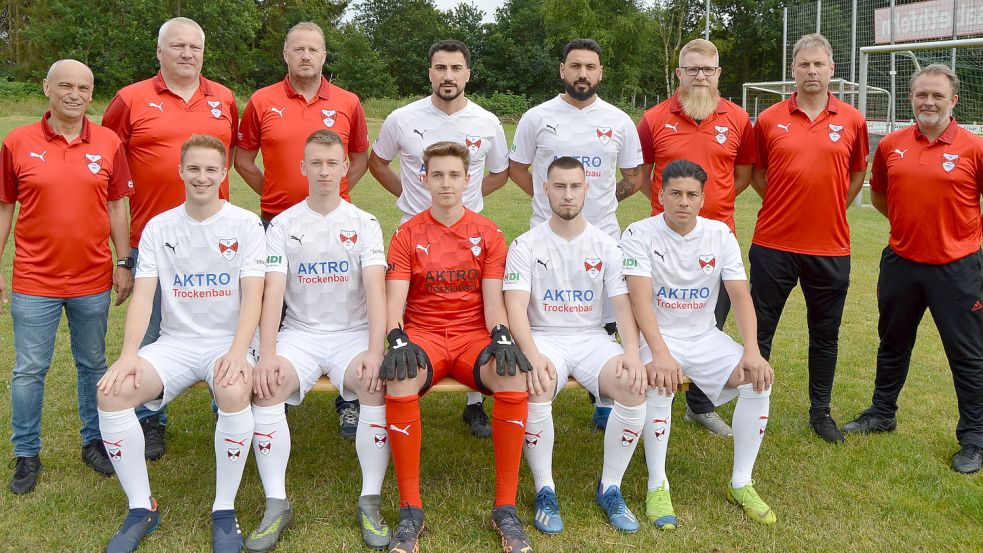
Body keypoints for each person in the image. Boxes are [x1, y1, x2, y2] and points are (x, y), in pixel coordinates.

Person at [96, 135, 265, 553]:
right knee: (112, 393)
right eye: (194, 168)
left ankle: (224, 509)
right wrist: (128, 354)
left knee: (231, 389)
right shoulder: (159, 226)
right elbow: (144, 296)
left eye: (211, 169)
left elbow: (255, 297)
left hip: (229, 341)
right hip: (175, 343)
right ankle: (141, 507)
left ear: (224, 173)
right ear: (181, 172)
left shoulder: (245, 224)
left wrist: (238, 352)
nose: (202, 177)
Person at [382, 141, 534, 553]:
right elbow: (393, 306)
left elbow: (492, 303)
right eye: (438, 175)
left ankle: (505, 507)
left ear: (468, 180)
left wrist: (502, 334)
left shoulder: (488, 234)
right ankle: (410, 509)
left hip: (471, 337)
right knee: (398, 378)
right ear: (423, 179)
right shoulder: (406, 233)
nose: (446, 183)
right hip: (425, 337)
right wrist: (396, 338)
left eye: (454, 175)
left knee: (513, 374)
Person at [244, 130, 391, 552]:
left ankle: (370, 499)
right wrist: (268, 353)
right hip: (300, 337)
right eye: (316, 163)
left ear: (346, 168)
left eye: (332, 163)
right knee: (268, 385)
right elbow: (273, 294)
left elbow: (376, 291)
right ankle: (276, 502)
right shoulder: (283, 225)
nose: (324, 171)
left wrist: (374, 350)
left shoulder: (365, 223)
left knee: (373, 384)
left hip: (352, 336)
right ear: (302, 168)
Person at [102, 16, 240, 459]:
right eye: (177, 46)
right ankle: (148, 420)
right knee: (152, 331)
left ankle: (229, 406)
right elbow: (109, 164)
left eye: (194, 47)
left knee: (224, 325)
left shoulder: (224, 98)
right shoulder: (130, 99)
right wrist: (124, 256)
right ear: (159, 51)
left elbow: (228, 156)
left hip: (216, 240)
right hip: (153, 237)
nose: (186, 54)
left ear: (203, 52)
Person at [843, 64, 983, 474]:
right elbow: (885, 198)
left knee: (968, 355)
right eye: (922, 94)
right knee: (892, 343)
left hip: (957, 269)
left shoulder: (974, 148)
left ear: (953, 101)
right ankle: (883, 412)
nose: (929, 102)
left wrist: (960, 238)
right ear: (910, 99)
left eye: (938, 95)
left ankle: (974, 437)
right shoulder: (892, 145)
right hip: (902, 262)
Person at [1, 59, 133, 493]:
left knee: (92, 364)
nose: (74, 94)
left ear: (91, 92)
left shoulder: (109, 142)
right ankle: (26, 453)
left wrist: (123, 260)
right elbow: (5, 207)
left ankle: (94, 442)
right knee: (29, 370)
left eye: (83, 87)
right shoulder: (17, 143)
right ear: (47, 88)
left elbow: (117, 206)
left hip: (92, 278)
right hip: (34, 281)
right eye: (65, 86)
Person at [621, 160, 775, 528]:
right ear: (661, 195)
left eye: (692, 195)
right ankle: (657, 485)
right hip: (655, 336)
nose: (683, 202)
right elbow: (639, 299)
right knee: (660, 382)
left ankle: (741, 483)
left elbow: (739, 295)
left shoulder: (719, 234)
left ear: (703, 198)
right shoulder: (639, 233)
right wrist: (660, 353)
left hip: (704, 337)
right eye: (675, 194)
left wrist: (752, 351)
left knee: (758, 380)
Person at [236, 21, 370, 440]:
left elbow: (361, 158)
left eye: (314, 49)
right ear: (286, 54)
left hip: (337, 221)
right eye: (298, 49)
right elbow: (243, 159)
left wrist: (332, 195)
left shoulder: (348, 101)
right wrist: (285, 198)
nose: (306, 56)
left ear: (325, 55)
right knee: (277, 305)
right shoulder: (261, 100)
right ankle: (277, 378)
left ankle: (349, 401)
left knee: (343, 301)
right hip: (276, 221)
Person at [368, 38, 508, 438]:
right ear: (430, 72)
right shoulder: (401, 117)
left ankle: (475, 402)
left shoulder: (487, 121)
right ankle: (410, 373)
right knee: (417, 310)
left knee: (472, 310)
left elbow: (499, 171)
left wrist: (470, 200)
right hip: (415, 233)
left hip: (469, 232)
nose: (448, 76)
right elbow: (378, 162)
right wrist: (410, 197)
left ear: (468, 73)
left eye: (456, 68)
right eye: (440, 68)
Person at [504, 156, 646, 534]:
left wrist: (631, 351)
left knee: (634, 385)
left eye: (575, 186)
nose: (568, 195)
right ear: (545, 189)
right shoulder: (525, 244)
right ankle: (545, 488)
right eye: (560, 186)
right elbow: (515, 308)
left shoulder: (606, 246)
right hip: (543, 338)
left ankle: (610, 486)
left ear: (588, 189)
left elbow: (622, 306)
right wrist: (531, 355)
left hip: (592, 339)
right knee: (535, 384)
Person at [508, 37, 643, 430]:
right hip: (547, 235)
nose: (582, 73)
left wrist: (601, 198)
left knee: (602, 317)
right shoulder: (537, 117)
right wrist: (549, 198)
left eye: (590, 67)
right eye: (575, 66)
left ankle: (602, 394)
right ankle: (549, 368)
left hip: (602, 234)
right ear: (562, 70)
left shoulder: (619, 120)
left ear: (600, 73)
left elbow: (633, 177)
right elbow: (519, 167)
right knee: (550, 311)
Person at [635, 37, 758, 438]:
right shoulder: (654, 118)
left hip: (717, 240)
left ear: (719, 73)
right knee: (662, 319)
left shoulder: (738, 119)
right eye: (692, 69)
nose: (700, 76)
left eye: (708, 69)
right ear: (679, 73)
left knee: (709, 325)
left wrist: (711, 211)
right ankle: (659, 395)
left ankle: (700, 406)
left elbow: (741, 175)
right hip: (663, 243)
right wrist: (669, 209)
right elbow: (645, 174)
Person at [750, 33, 869, 443]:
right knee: (760, 331)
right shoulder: (768, 119)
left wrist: (832, 204)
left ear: (832, 69)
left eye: (819, 64)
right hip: (773, 244)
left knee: (825, 334)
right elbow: (760, 175)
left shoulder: (852, 119)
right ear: (794, 70)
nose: (812, 71)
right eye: (804, 65)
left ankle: (821, 412)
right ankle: (754, 407)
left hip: (830, 247)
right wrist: (787, 202)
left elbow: (856, 176)